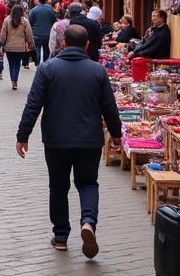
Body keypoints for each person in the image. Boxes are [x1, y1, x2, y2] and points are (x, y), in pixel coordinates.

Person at [15, 25, 122, 258]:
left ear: (63, 43)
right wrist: (116, 133)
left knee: (58, 186)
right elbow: (109, 107)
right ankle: (88, 222)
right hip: (89, 140)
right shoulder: (97, 71)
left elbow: (33, 105)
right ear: (87, 45)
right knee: (88, 183)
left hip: (56, 140)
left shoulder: (47, 69)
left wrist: (23, 136)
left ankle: (61, 236)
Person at [0, 3, 34, 91]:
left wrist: (2, 44)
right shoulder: (25, 21)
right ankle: (15, 81)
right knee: (17, 64)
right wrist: (31, 45)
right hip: (20, 47)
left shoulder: (7, 20)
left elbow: (3, 34)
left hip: (9, 47)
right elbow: (29, 35)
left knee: (12, 64)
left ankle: (13, 81)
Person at [28, 0, 57, 64]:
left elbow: (30, 22)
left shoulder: (33, 10)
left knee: (37, 50)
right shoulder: (51, 10)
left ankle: (37, 64)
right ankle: (45, 64)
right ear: (46, 1)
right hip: (47, 34)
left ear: (39, 1)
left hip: (36, 34)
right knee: (46, 51)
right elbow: (54, 20)